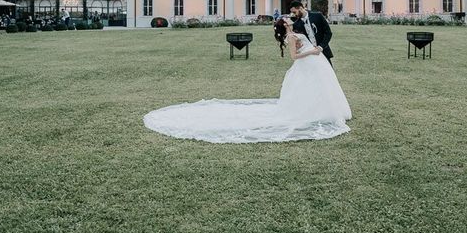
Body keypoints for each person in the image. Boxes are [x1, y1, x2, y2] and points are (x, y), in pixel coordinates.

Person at [142, 16, 352, 143]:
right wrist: (312, 52)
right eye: (287, 19)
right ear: (285, 25)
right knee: (311, 90)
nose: (289, 18)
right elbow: (295, 57)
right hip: (307, 63)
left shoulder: (296, 32)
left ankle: (325, 109)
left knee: (318, 89)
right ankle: (316, 112)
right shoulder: (290, 37)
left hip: (314, 64)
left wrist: (315, 50)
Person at [289, 0, 334, 67]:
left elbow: (328, 33)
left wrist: (321, 47)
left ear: (300, 8)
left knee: (328, 75)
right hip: (309, 56)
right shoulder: (296, 25)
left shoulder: (318, 16)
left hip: (323, 51)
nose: (294, 15)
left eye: (294, 12)